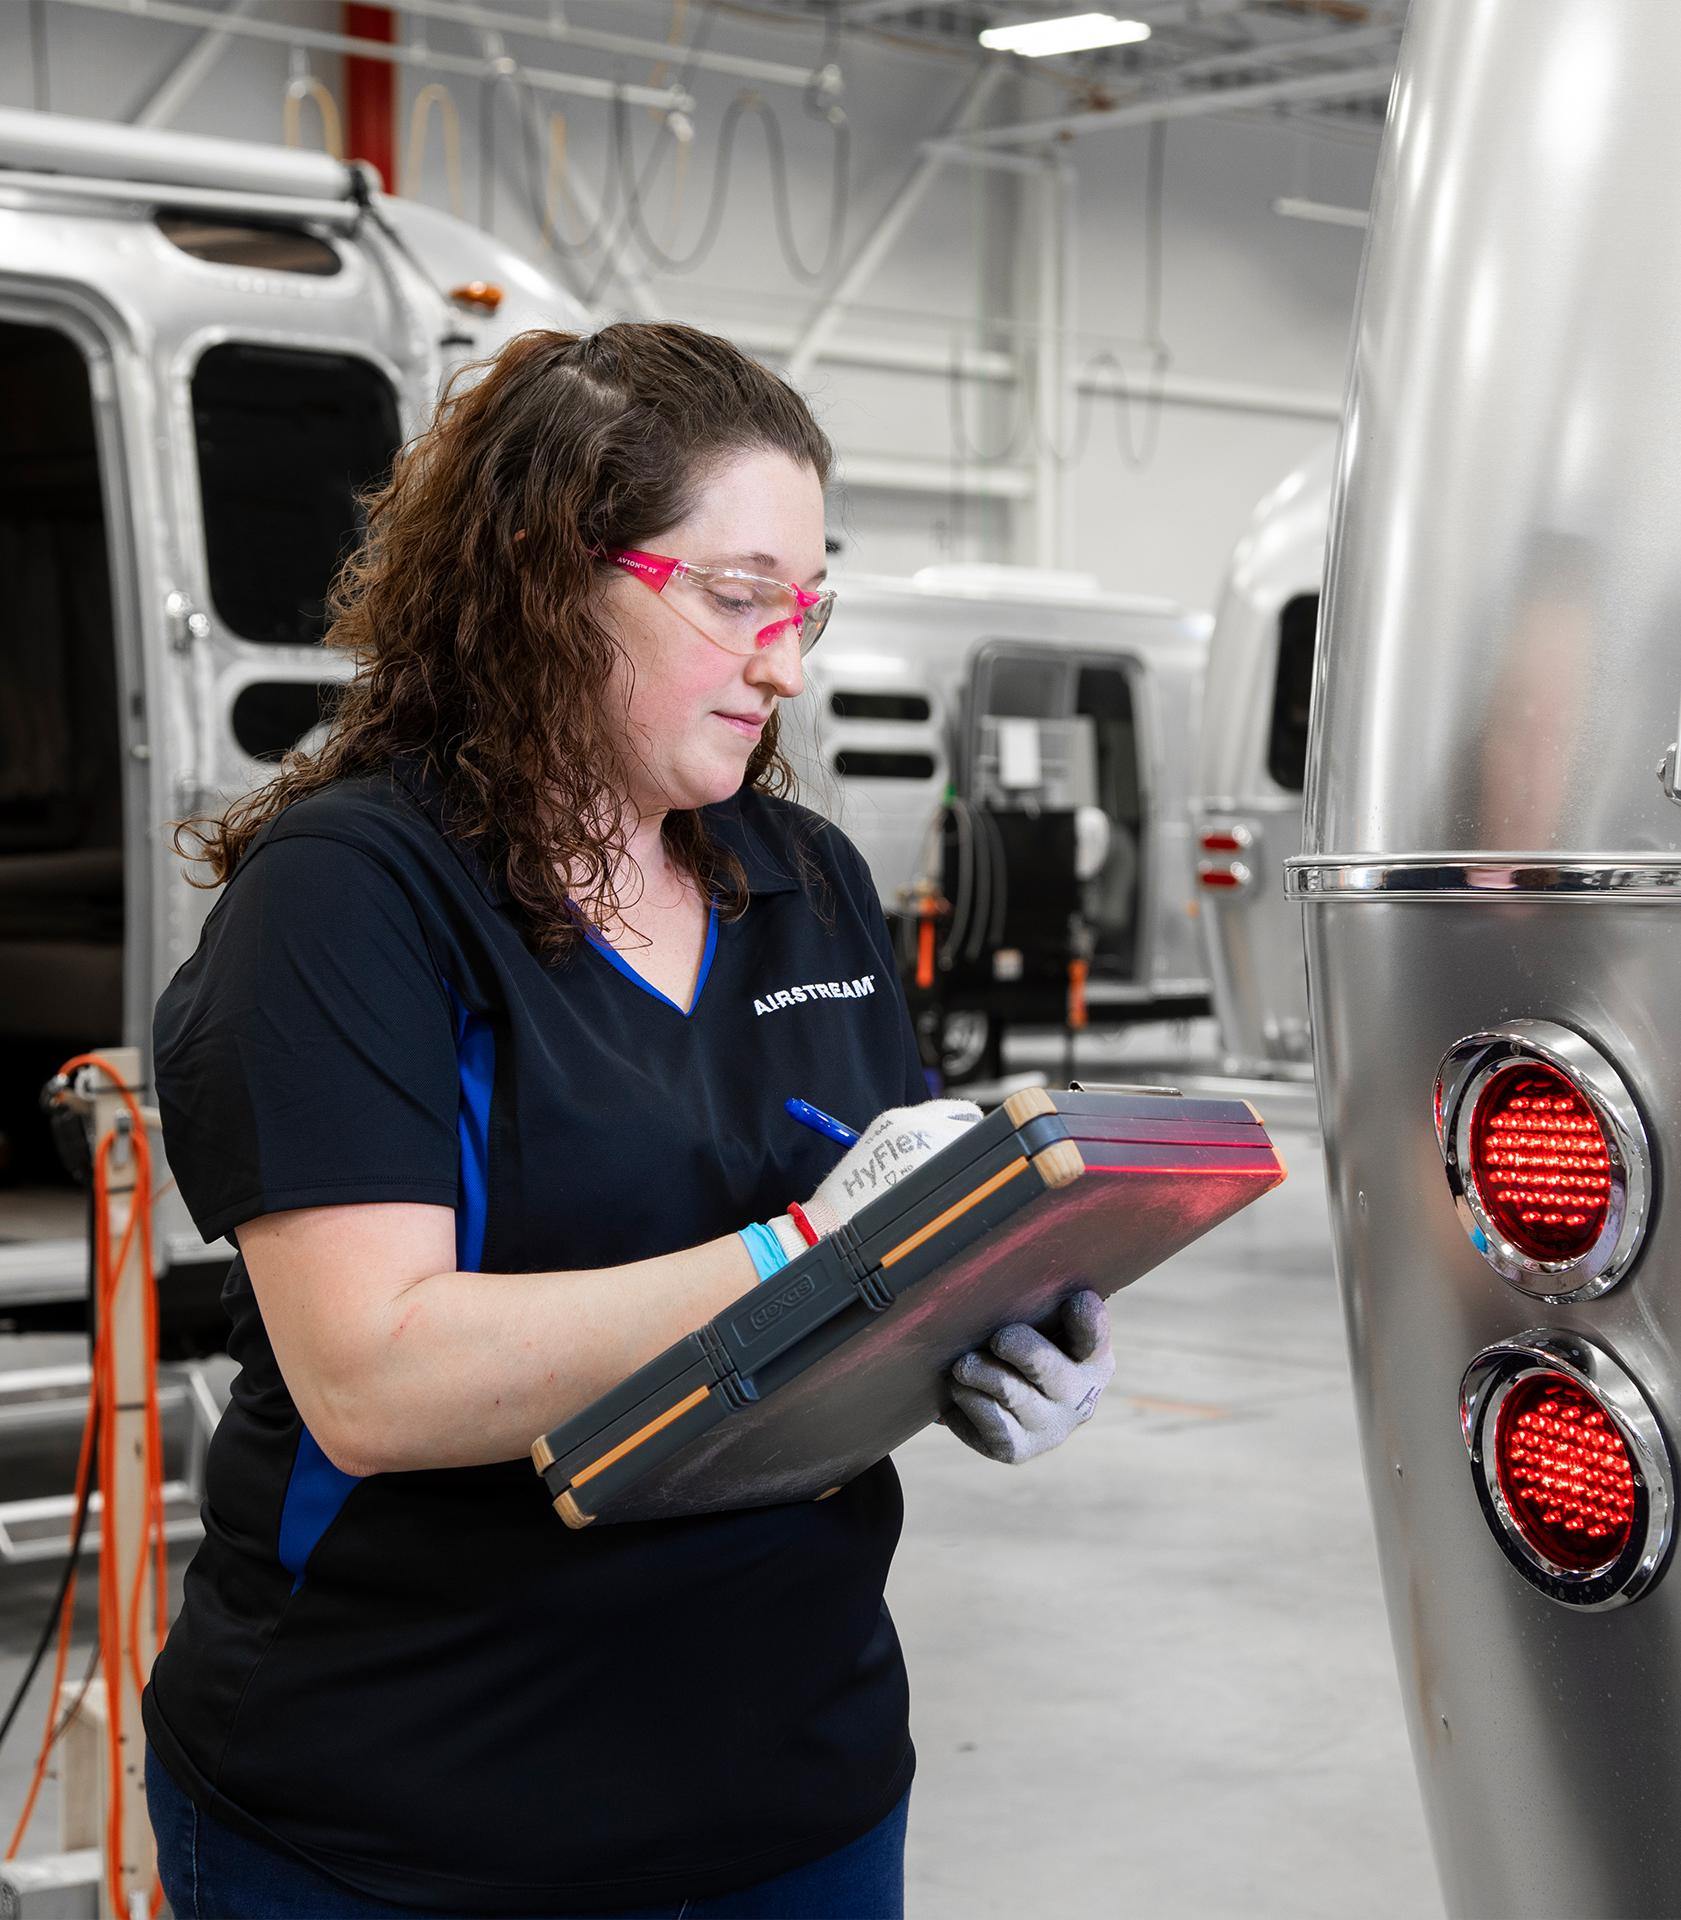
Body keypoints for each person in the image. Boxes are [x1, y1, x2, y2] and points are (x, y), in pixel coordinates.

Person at [143, 324, 1115, 1920]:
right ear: (547, 576)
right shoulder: (352, 898)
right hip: (413, 1820)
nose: (785, 663)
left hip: (793, 1794)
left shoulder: (803, 879)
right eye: (738, 600)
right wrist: (812, 1257)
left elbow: (901, 1227)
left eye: (806, 607)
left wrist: (987, 1325)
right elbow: (374, 1378)